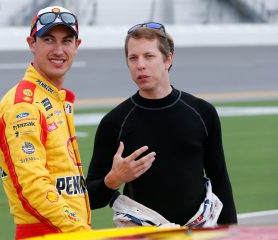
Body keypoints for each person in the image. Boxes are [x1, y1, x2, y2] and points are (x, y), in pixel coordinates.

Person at [86, 22, 237, 227]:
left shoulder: (202, 113)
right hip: (142, 232)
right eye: (133, 58)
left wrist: (234, 233)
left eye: (149, 56)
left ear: (168, 59)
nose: (140, 65)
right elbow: (91, 199)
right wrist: (113, 179)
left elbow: (220, 181)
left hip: (199, 231)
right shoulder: (115, 122)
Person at [0, 6, 91, 239]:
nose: (59, 50)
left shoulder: (54, 98)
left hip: (66, 231)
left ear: (76, 47)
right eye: (49, 39)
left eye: (67, 41)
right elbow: (33, 186)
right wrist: (81, 232)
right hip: (48, 233)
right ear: (32, 43)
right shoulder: (23, 105)